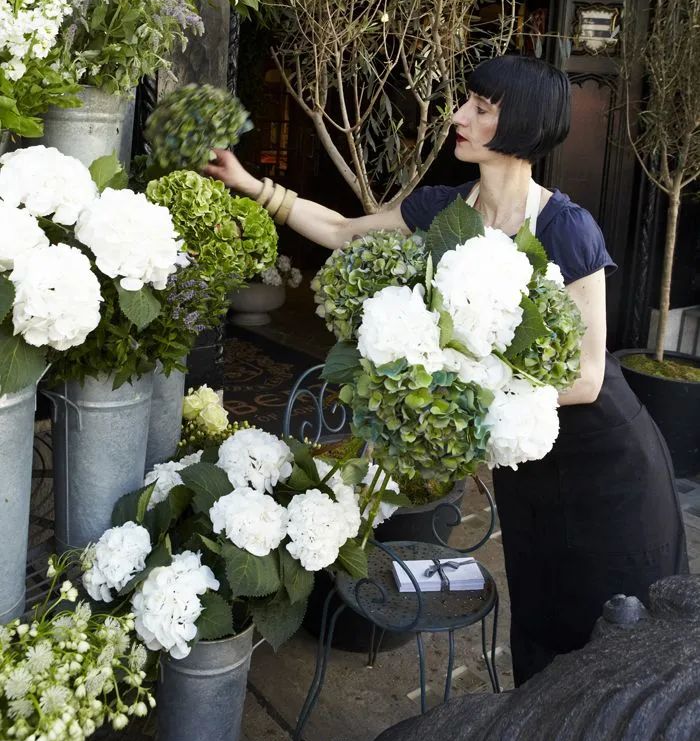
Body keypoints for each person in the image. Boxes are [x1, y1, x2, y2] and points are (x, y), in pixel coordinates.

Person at [205, 54, 689, 686]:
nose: (459, 116)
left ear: (522, 125)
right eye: (467, 102)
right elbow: (344, 231)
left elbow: (587, 377)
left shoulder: (567, 229)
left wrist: (459, 400)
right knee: (543, 610)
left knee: (621, 617)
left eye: (481, 109)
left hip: (606, 460)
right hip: (525, 461)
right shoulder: (442, 209)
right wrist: (251, 184)